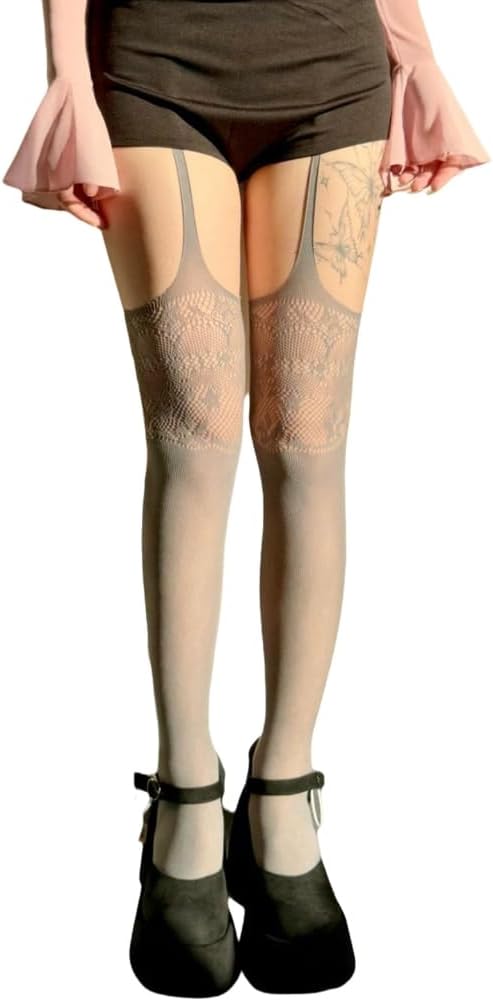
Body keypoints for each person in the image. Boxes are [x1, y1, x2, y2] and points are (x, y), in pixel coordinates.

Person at [2, 1, 489, 996]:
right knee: (193, 432)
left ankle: (283, 791)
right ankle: (184, 789)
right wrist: (66, 73)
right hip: (152, 64)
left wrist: (416, 57)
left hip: (332, 69)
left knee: (307, 439)